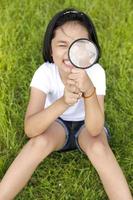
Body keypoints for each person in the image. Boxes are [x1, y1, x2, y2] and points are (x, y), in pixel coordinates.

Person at [0, 8, 132, 200]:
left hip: (87, 128)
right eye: (63, 44)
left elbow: (95, 129)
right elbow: (30, 129)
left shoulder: (95, 73)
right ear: (51, 50)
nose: (71, 52)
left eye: (80, 45)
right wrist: (63, 102)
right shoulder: (45, 73)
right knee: (39, 142)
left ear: (91, 51)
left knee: (99, 148)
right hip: (56, 125)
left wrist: (89, 91)